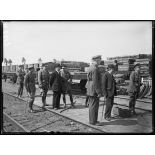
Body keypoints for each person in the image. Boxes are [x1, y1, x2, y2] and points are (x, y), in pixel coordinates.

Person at [86, 55, 102, 125]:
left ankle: (93, 120)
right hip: (94, 90)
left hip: (90, 89)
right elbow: (95, 82)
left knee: (92, 106)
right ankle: (93, 121)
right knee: (94, 106)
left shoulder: (90, 67)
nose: (100, 61)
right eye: (99, 60)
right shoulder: (95, 69)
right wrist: (98, 92)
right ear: (96, 60)